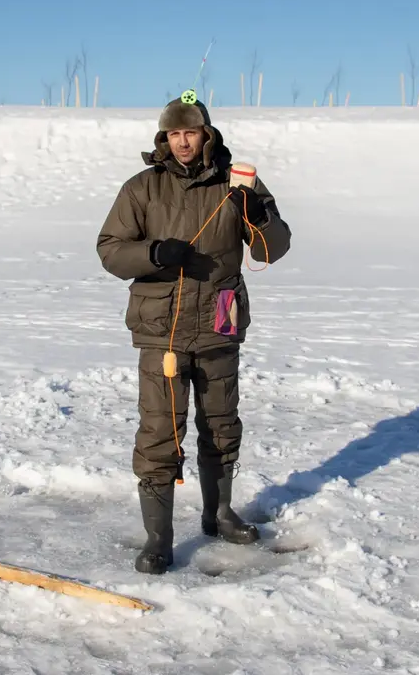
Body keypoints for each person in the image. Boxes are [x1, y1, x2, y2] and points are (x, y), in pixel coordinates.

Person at [96, 97, 292, 574]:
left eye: (191, 133)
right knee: (160, 431)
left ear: (207, 134)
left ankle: (219, 513)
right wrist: (156, 252)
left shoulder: (237, 183)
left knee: (222, 424)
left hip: (220, 323)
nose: (183, 142)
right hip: (161, 329)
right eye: (174, 134)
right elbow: (110, 250)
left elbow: (274, 248)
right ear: (164, 138)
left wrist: (257, 216)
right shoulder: (142, 188)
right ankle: (158, 538)